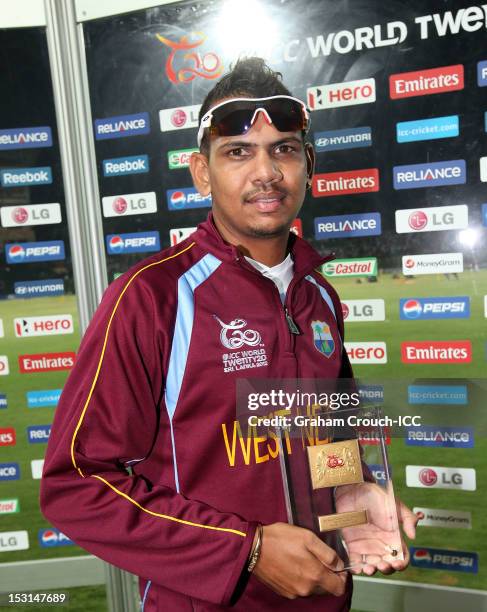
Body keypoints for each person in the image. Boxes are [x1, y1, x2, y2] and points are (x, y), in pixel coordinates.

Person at [41, 57, 418, 611]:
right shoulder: (151, 298)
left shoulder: (320, 298)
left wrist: (352, 494)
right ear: (201, 172)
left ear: (308, 164)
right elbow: (75, 483)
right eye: (238, 152)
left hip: (326, 599)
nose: (266, 172)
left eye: (284, 149)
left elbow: (326, 441)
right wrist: (250, 550)